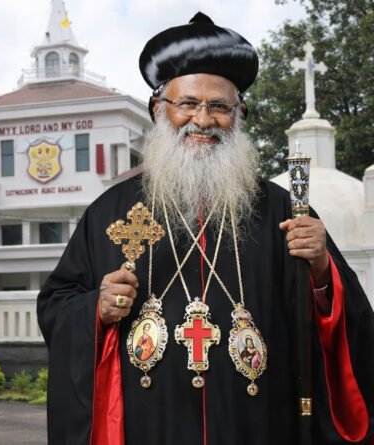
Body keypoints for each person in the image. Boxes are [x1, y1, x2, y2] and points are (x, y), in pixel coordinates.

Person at [37, 12, 374, 445]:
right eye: (188, 103)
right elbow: (56, 305)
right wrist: (96, 310)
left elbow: (347, 332)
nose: (203, 118)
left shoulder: (281, 210)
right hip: (149, 425)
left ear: (240, 114)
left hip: (257, 424)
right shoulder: (110, 213)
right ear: (159, 109)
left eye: (219, 106)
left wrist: (323, 271)